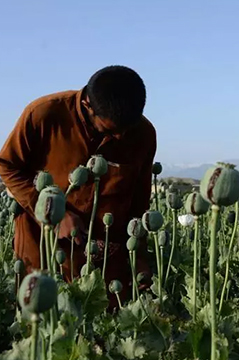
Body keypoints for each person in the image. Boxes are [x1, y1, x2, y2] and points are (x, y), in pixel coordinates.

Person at [0, 65, 156, 308]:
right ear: (87, 106)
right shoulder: (43, 115)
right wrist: (52, 215)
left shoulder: (143, 134)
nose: (119, 137)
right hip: (41, 242)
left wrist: (140, 257)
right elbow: (7, 165)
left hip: (106, 254)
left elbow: (140, 199)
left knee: (103, 325)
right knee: (42, 323)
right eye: (110, 131)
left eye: (127, 130)